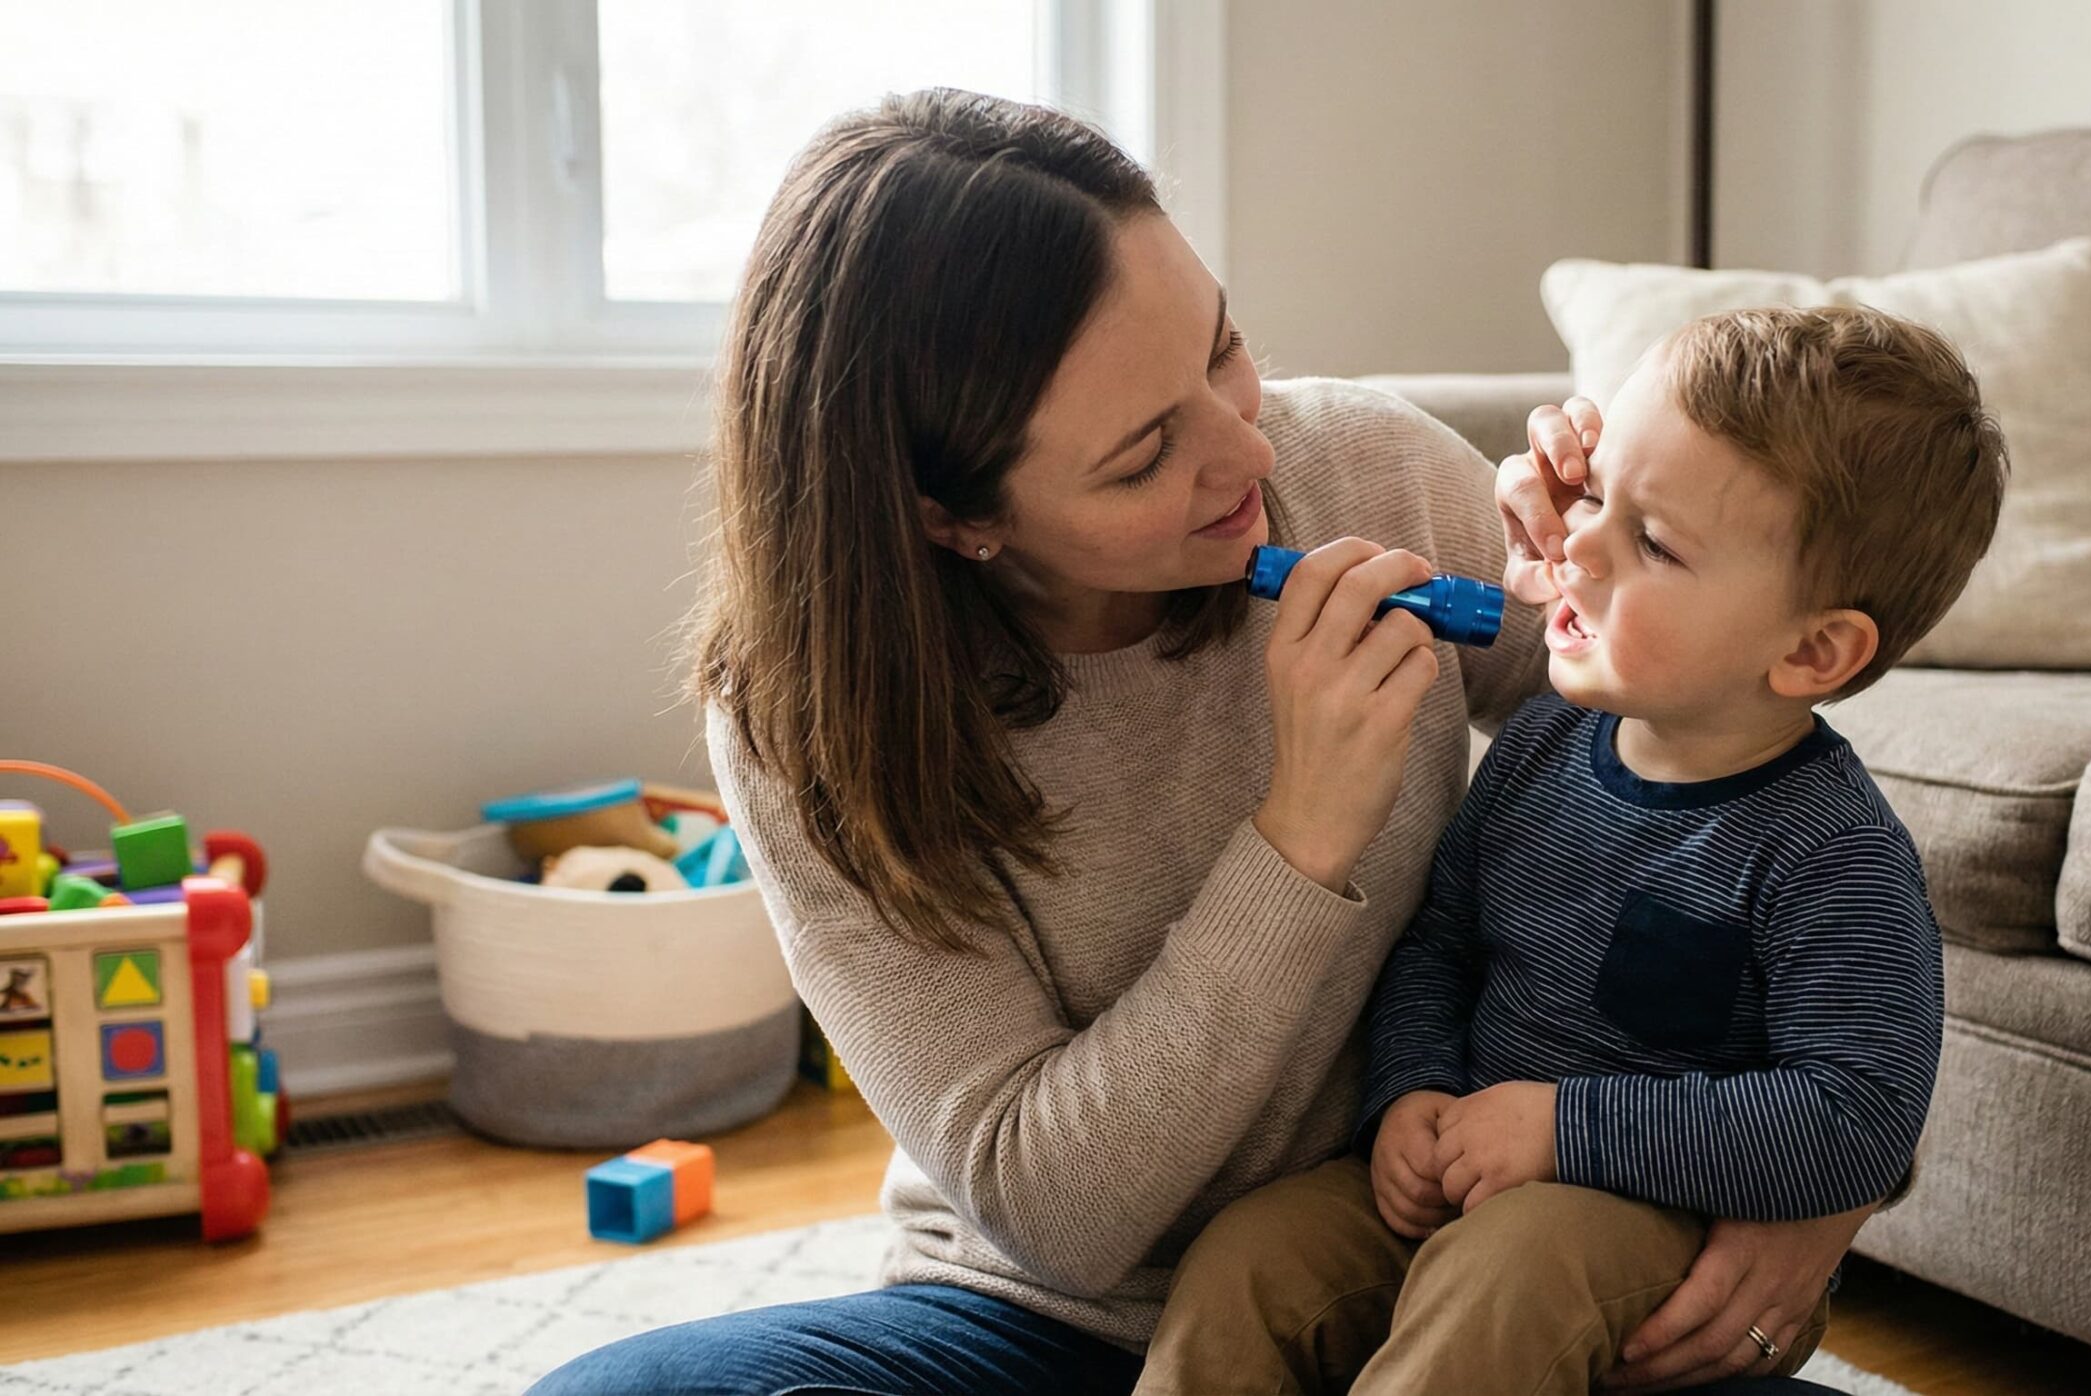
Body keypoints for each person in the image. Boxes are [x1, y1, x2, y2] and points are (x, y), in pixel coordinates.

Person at [531, 90, 1871, 1396]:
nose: (1248, 451)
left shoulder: (1371, 474)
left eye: (1223, 348)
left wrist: (1812, 1192)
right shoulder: (807, 723)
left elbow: (1756, 806)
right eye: (1145, 453)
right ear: (955, 518)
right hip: (1055, 1328)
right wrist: (1299, 843)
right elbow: (1051, 1215)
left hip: (1465, 1265)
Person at [1136, 308, 2008, 1395]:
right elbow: (1442, 940)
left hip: (1649, 1228)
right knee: (1255, 1255)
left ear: (1812, 648)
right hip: (1468, 1164)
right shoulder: (1544, 738)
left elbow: (1854, 1120)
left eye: (1652, 542)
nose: (1574, 546)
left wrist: (1565, 1130)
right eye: (1596, 496)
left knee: (1511, 1273)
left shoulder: (1830, 855)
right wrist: (1408, 1091)